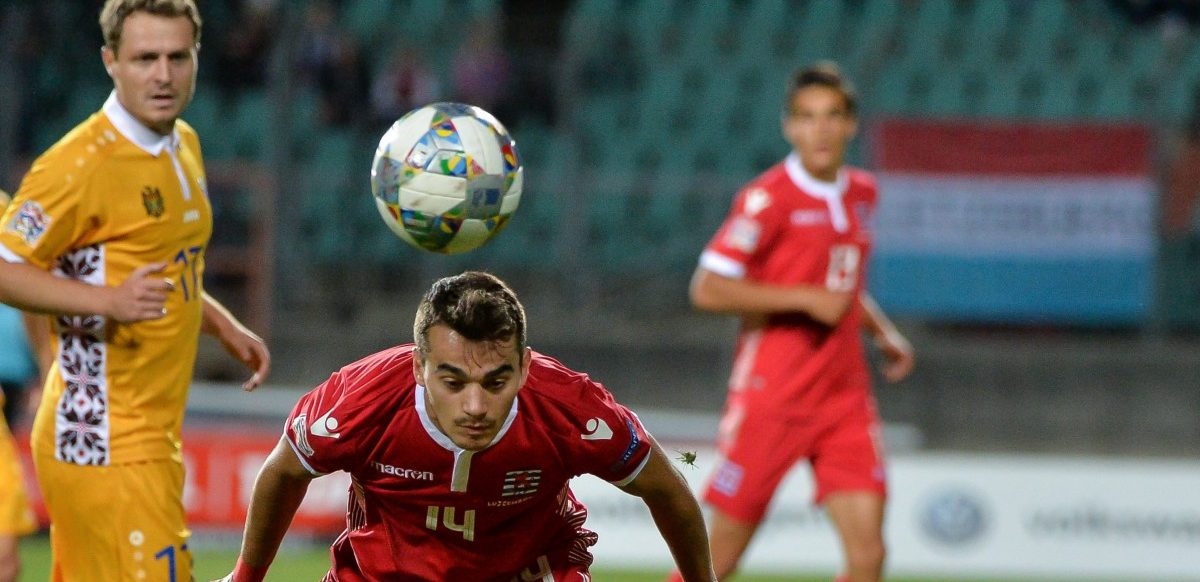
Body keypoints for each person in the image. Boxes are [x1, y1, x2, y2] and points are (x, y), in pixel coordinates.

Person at [0, 2, 271, 580]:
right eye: (146, 58)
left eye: (178, 57)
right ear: (111, 62)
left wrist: (221, 325)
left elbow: (167, 266)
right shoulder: (78, 165)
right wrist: (108, 303)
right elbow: (5, 268)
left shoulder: (184, 143)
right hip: (103, 441)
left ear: (196, 58)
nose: (163, 75)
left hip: (150, 436)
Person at [218, 271, 716, 582]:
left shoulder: (571, 408)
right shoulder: (360, 400)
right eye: (453, 382)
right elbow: (285, 472)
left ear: (524, 367)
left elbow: (665, 488)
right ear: (419, 367)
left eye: (496, 381)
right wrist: (245, 577)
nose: (475, 406)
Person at [670, 63, 915, 582]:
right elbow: (707, 288)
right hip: (773, 399)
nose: (820, 129)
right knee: (715, 563)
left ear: (851, 125)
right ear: (789, 126)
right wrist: (802, 299)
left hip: (844, 399)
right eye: (807, 117)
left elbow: (843, 285)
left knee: (869, 555)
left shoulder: (863, 192)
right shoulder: (768, 199)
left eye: (832, 116)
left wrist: (882, 333)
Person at [0, 190, 38, 582]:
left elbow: (33, 282)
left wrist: (45, 370)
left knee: (6, 560)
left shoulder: (11, 213)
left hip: (8, 381)